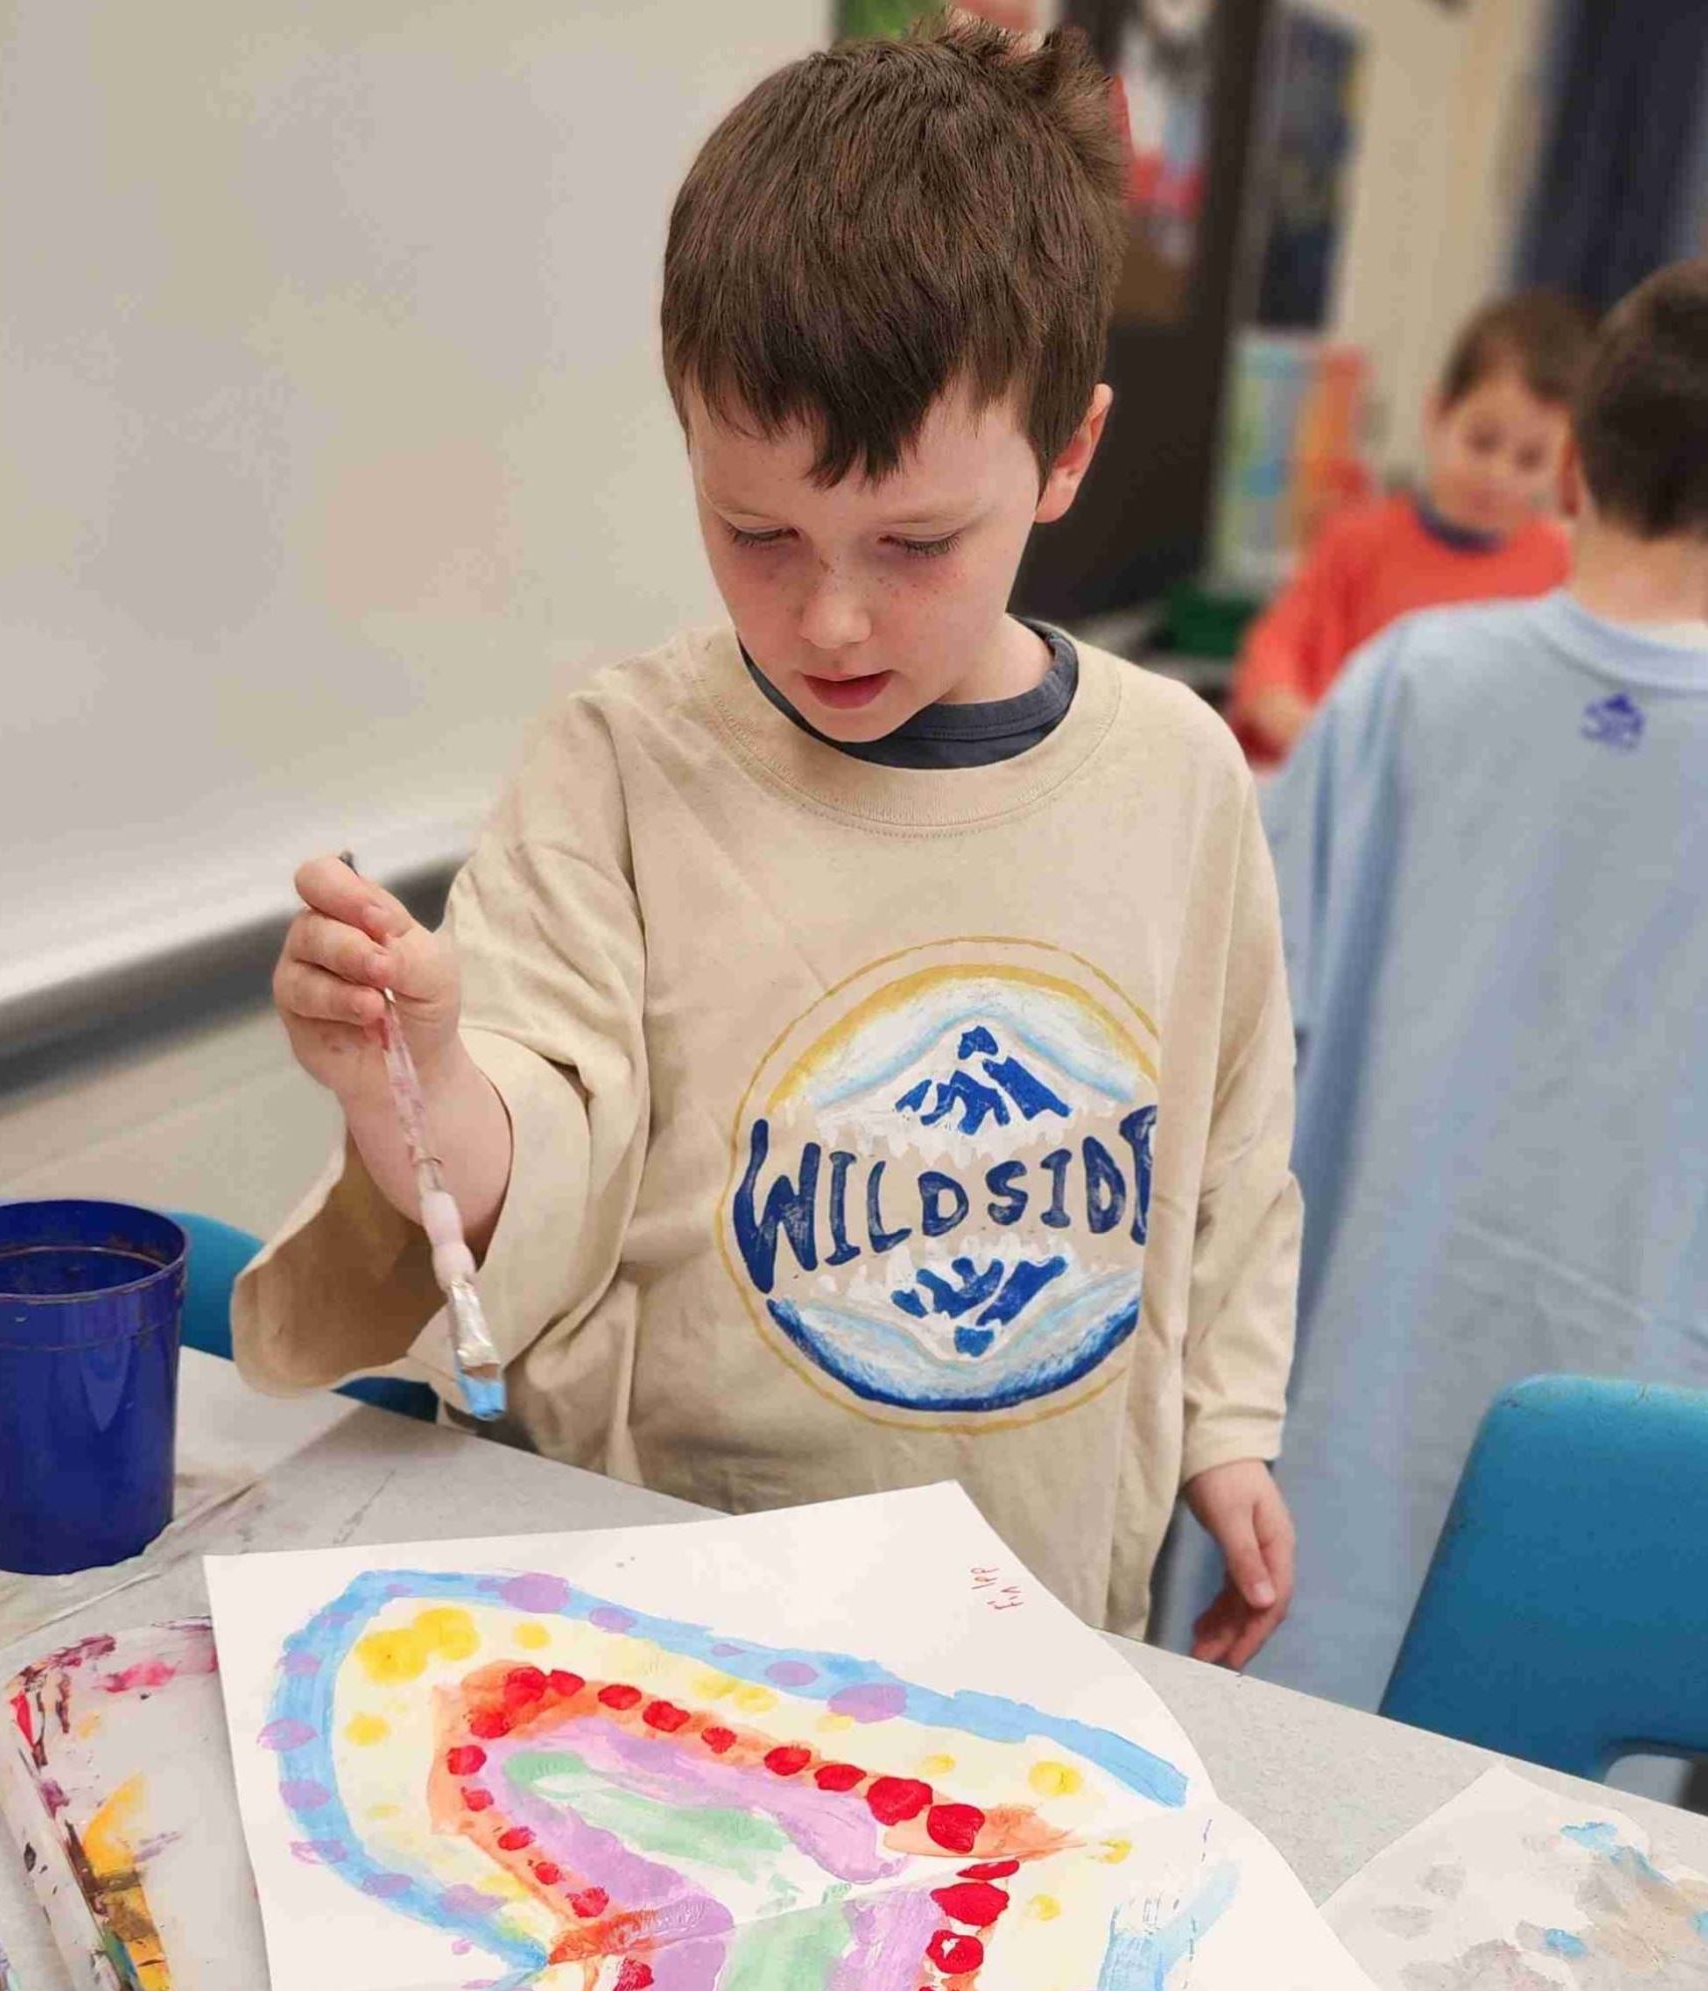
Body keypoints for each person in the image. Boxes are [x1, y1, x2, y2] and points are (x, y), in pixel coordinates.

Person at [240, 23, 1302, 1667]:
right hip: (675, 1624)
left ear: (1066, 455)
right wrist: (419, 1074)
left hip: (1034, 1620)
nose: (829, 618)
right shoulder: (617, 765)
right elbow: (535, 1158)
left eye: (914, 542)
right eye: (757, 532)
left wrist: (1224, 1427)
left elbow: (1229, 1149)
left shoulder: (1176, 777)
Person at [1241, 259, 1708, 1711]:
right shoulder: (1396, 680)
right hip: (1638, 1519)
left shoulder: (1402, 689)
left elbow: (1237, 1058)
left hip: (1321, 1471)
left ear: (1570, 468)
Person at [1231, 290, 1594, 764]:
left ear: (1565, 464)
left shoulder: (1564, 571)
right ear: (1438, 414)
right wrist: (1318, 739)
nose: (1499, 474)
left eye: (1530, 460)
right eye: (1482, 442)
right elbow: (1270, 661)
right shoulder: (1356, 542)